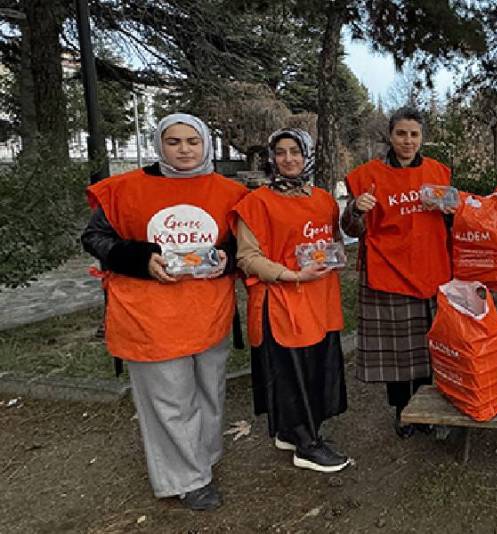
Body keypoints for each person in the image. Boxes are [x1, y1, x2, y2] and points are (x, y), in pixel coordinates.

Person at [80, 113, 247, 511]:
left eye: (192, 141)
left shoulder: (231, 191)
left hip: (209, 312)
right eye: (174, 142)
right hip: (149, 316)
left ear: (206, 142)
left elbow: (247, 244)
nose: (184, 149)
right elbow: (95, 237)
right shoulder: (125, 189)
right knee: (170, 401)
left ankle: (201, 459)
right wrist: (140, 258)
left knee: (210, 392)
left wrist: (230, 255)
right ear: (159, 144)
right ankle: (187, 479)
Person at [231, 128, 350, 473]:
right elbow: (247, 258)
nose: (288, 159)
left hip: (320, 299)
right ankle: (307, 443)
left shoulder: (324, 199)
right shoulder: (256, 203)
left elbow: (334, 243)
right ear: (271, 158)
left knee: (315, 369)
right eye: (280, 152)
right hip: (283, 300)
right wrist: (292, 274)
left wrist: (331, 257)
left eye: (295, 151)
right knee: (291, 373)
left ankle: (290, 431)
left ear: (307, 154)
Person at [341, 107, 454, 438]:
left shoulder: (438, 172)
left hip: (430, 269)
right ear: (390, 136)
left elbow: (452, 222)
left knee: (425, 349)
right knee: (396, 352)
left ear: (422, 138)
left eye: (414, 134)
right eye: (401, 133)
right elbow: (349, 227)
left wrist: (452, 212)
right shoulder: (367, 176)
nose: (408, 141)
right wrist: (354, 210)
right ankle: (402, 411)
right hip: (387, 270)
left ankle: (425, 410)